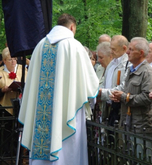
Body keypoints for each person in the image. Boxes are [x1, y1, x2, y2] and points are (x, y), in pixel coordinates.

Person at [18, 13, 99, 165]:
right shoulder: (74, 46)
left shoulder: (40, 45)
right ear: (72, 27)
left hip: (40, 111)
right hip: (67, 110)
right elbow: (90, 83)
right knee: (68, 147)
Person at [110, 37, 152, 161]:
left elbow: (148, 97)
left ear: (141, 53)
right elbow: (128, 92)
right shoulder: (131, 69)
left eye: (131, 50)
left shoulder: (147, 72)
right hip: (129, 123)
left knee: (143, 159)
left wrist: (125, 97)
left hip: (141, 126)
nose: (127, 52)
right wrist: (119, 97)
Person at [99, 35, 129, 127]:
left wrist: (103, 93)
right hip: (108, 105)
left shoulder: (127, 64)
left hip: (119, 108)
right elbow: (105, 82)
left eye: (114, 49)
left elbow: (123, 86)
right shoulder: (112, 63)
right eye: (111, 48)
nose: (111, 51)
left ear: (124, 48)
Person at [0, 47, 27, 115]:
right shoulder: (0, 72)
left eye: (15, 59)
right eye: (10, 59)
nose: (13, 62)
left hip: (23, 106)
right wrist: (2, 90)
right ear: (4, 61)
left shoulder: (23, 69)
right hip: (4, 109)